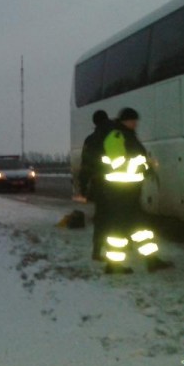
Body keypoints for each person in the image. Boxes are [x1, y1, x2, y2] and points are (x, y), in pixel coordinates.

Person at [99, 107, 172, 274]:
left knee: (140, 226)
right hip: (119, 191)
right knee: (120, 229)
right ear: (125, 121)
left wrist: (147, 165)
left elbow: (135, 158)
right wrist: (143, 165)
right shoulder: (116, 137)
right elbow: (118, 163)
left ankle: (151, 260)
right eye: (133, 120)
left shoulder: (129, 136)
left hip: (130, 190)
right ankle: (114, 265)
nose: (135, 123)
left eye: (136, 120)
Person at [78, 110, 114, 261]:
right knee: (117, 218)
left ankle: (98, 250)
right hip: (119, 184)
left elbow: (85, 166)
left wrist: (83, 186)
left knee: (101, 219)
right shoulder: (115, 135)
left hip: (100, 186)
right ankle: (117, 249)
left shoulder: (91, 140)